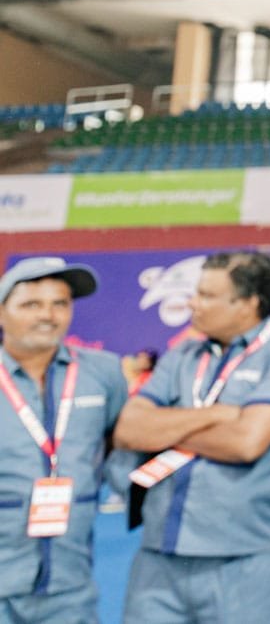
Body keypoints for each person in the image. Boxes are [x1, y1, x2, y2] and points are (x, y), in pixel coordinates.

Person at [113, 251, 270, 624]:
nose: (193, 303)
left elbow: (246, 442)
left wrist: (165, 430)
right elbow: (129, 430)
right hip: (159, 555)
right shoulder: (183, 354)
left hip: (242, 559)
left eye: (207, 295)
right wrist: (214, 415)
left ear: (248, 304)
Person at [0, 256, 126, 623]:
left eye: (60, 303)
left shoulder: (103, 372)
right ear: (2, 313)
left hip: (70, 585)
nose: (48, 315)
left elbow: (120, 447)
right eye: (31, 304)